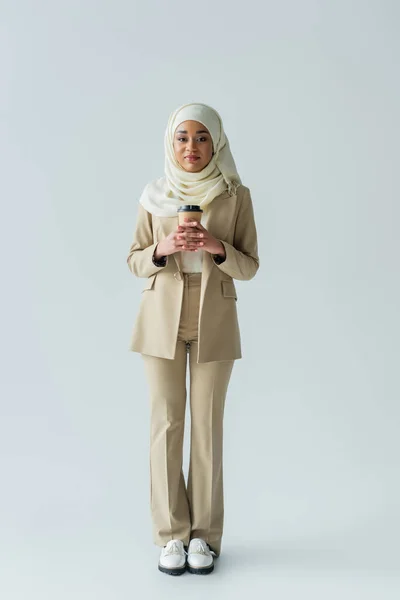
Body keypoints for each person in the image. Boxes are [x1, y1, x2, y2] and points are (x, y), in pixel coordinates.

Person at [126, 102, 259, 575]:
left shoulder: (234, 194)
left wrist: (215, 246)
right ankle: (170, 536)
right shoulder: (153, 195)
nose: (191, 147)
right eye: (183, 137)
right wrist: (162, 248)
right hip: (161, 316)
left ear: (216, 142)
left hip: (215, 316)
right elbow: (134, 259)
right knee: (166, 424)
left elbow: (250, 266)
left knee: (206, 426)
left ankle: (204, 536)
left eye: (202, 137)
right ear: (171, 142)